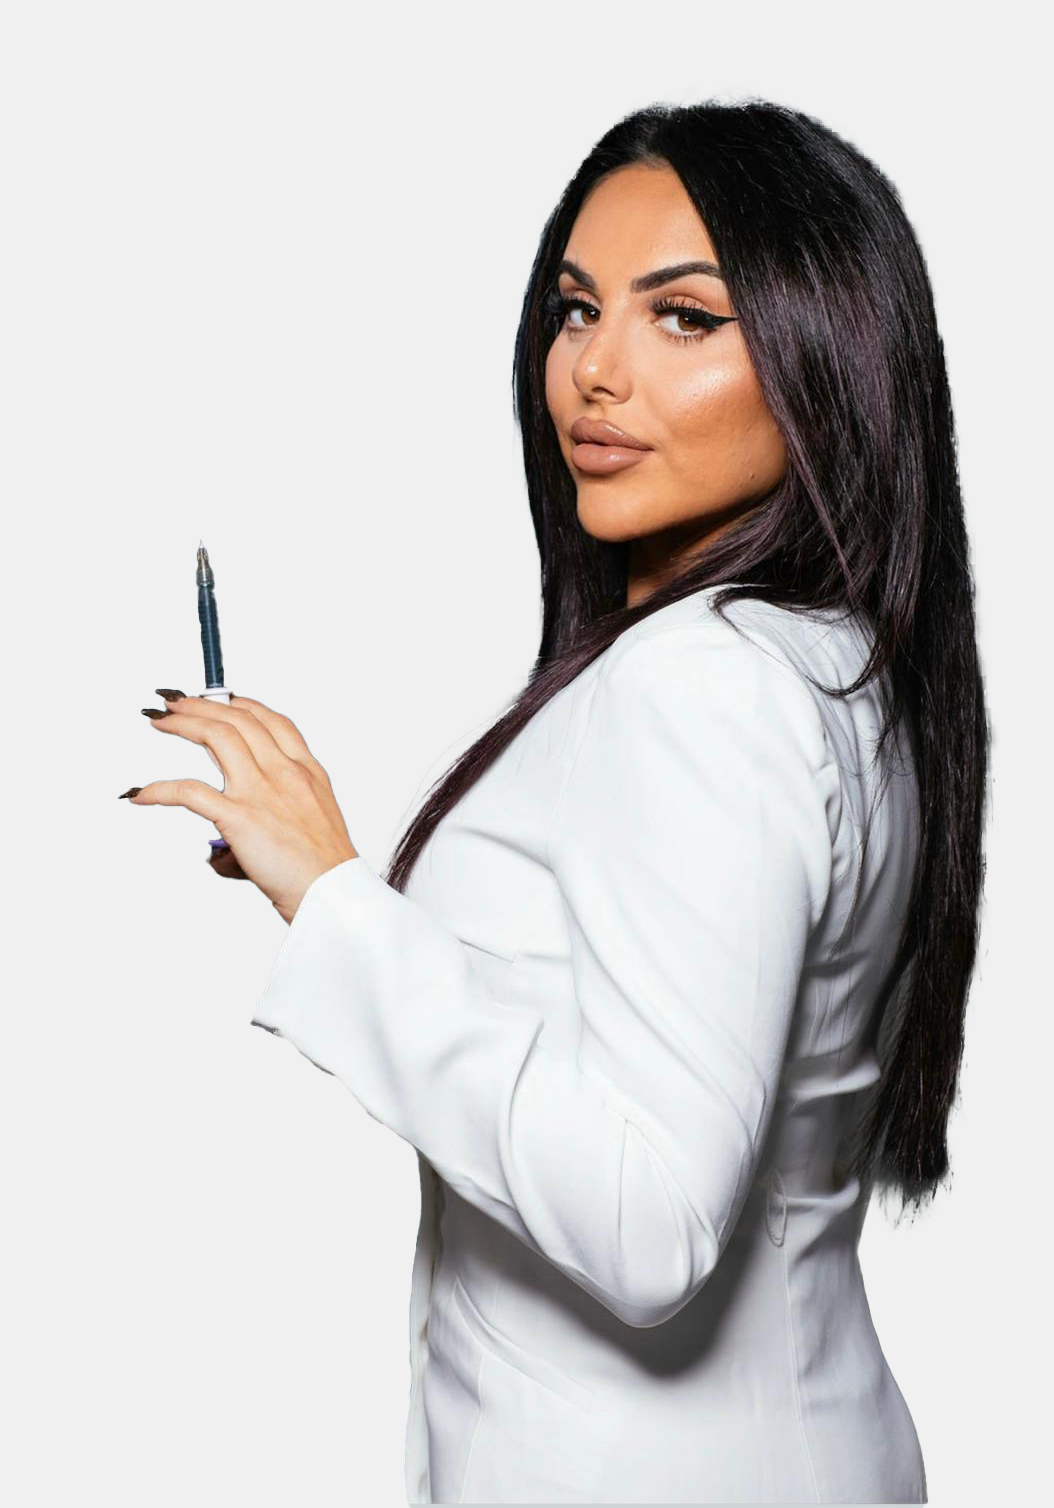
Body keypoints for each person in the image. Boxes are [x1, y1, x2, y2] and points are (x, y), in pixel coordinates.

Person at [121, 99, 989, 1504]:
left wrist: (338, 904)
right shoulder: (829, 664)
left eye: (684, 318)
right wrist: (325, 891)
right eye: (577, 309)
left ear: (831, 354)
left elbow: (649, 1224)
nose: (595, 369)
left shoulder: (705, 687)